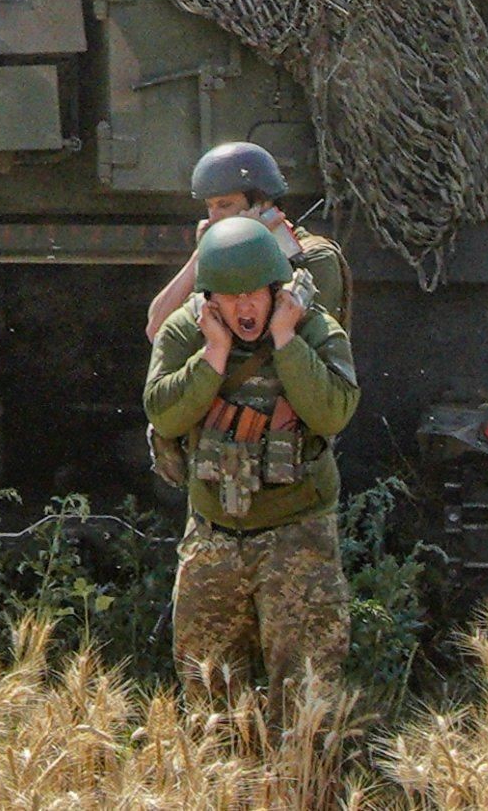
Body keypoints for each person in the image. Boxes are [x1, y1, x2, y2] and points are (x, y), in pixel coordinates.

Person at [143, 215, 358, 710]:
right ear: (209, 299)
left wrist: (287, 341)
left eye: (255, 294)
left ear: (276, 290)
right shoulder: (186, 334)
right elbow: (164, 414)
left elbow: (333, 412)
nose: (244, 307)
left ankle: (303, 786)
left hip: (297, 537)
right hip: (214, 535)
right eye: (230, 296)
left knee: (307, 700)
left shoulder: (316, 329)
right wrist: (213, 356)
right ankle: (226, 788)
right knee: (209, 697)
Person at [145, 141, 348, 343]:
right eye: (210, 206)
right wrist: (202, 255)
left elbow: (300, 343)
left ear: (262, 203)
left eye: (224, 205)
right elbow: (157, 330)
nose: (214, 218)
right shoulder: (219, 256)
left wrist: (254, 243)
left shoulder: (316, 256)